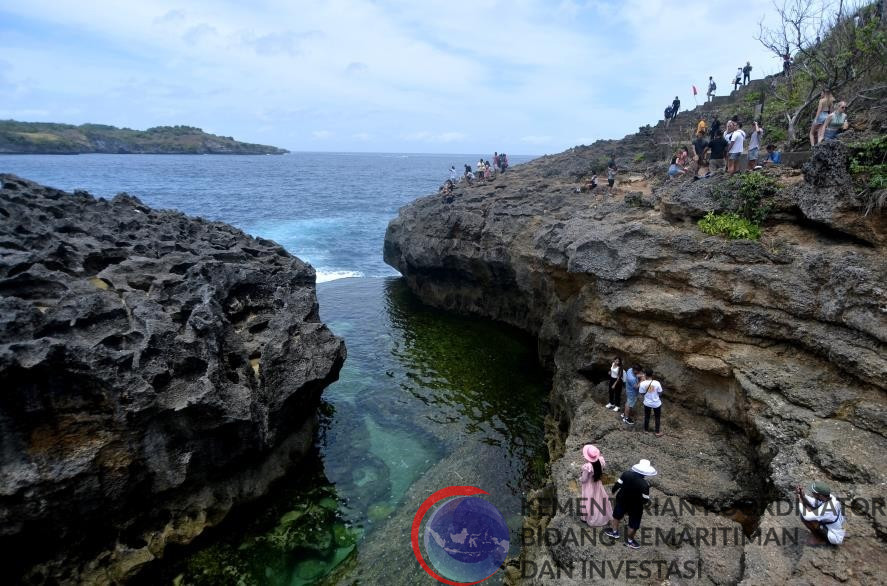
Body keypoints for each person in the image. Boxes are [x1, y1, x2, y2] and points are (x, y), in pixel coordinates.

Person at [604, 459, 657, 549]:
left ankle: (614, 532)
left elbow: (618, 484)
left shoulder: (626, 474)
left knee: (617, 516)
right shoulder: (645, 484)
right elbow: (645, 499)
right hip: (636, 506)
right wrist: (641, 504)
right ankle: (630, 541)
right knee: (633, 523)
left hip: (622, 499)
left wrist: (613, 491)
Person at [579, 445, 612, 527]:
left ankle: (587, 517)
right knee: (598, 500)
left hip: (589, 485)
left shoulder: (588, 467)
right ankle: (601, 515)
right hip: (597, 483)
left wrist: (580, 478)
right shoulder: (600, 461)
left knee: (589, 501)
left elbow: (584, 479)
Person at [638, 369, 664, 436]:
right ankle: (657, 432)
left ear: (645, 375)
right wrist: (656, 395)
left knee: (647, 416)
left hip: (647, 403)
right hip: (656, 403)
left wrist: (648, 395)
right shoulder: (657, 383)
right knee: (657, 417)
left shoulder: (642, 383)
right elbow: (660, 392)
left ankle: (646, 430)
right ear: (652, 375)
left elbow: (641, 393)